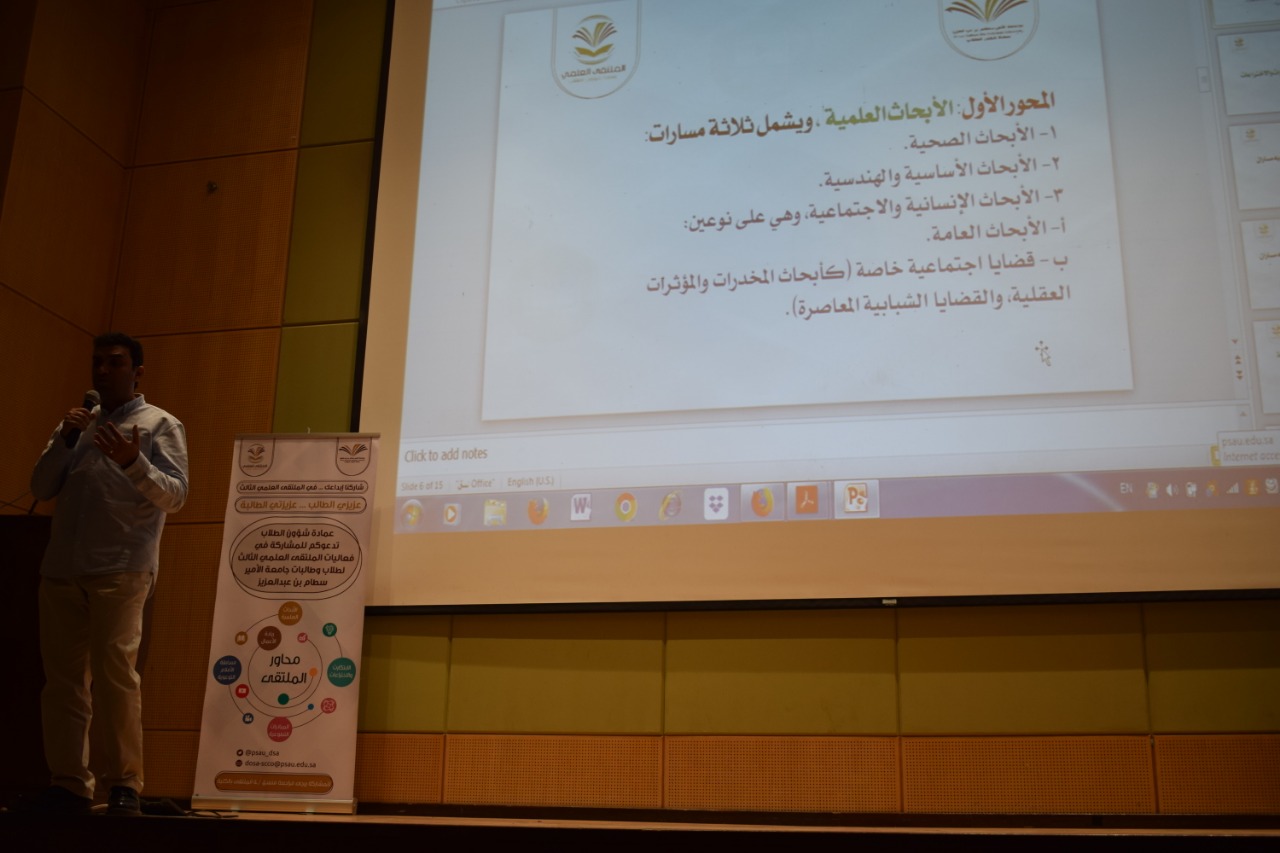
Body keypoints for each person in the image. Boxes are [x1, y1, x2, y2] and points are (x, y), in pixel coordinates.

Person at [27, 332, 188, 815]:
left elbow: (176, 496)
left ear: (137, 372)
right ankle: (70, 783)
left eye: (114, 362)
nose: (102, 371)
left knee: (115, 677)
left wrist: (133, 462)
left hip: (121, 566)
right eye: (97, 362)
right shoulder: (76, 424)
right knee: (63, 683)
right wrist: (65, 438)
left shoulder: (160, 424)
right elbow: (40, 486)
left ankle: (124, 784)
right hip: (62, 568)